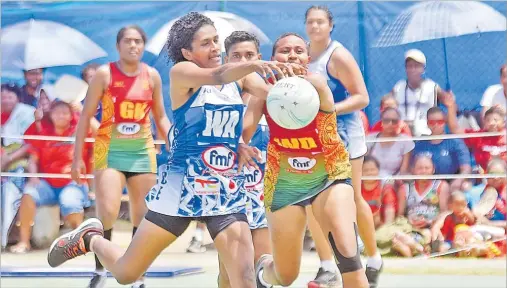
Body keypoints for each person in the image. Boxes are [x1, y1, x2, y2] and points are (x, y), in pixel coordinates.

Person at [47, 12, 299, 288]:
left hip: (225, 192)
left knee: (245, 279)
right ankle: (90, 239)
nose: (216, 47)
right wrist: (255, 64)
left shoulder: (240, 79)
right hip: (182, 190)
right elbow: (217, 75)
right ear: (187, 52)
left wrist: (300, 86)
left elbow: (275, 96)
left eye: (216, 40)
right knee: (127, 273)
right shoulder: (183, 73)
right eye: (206, 43)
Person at [240, 32, 369, 288]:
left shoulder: (317, 84)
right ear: (272, 58)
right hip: (285, 182)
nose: (292, 55)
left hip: (328, 174)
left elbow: (319, 106)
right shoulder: (263, 93)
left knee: (348, 254)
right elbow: (243, 133)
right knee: (285, 276)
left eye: (299, 50)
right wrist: (239, 144)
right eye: (285, 50)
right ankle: (262, 272)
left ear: (308, 58)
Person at [68, 25, 172, 288]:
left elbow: (160, 116)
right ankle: (100, 270)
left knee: (143, 215)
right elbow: (84, 118)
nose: (133, 46)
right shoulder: (104, 74)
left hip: (142, 150)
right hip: (109, 148)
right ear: (118, 46)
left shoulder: (152, 76)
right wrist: (77, 158)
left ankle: (139, 273)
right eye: (128, 41)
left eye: (138, 41)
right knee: (109, 212)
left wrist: (175, 141)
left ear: (143, 45)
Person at [304, 5, 382, 287]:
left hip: (345, 136)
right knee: (312, 201)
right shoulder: (302, 55)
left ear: (330, 25)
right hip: (312, 139)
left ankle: (373, 257)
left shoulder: (338, 56)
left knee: (353, 198)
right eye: (310, 22)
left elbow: (363, 98)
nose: (315, 26)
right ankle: (326, 265)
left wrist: (329, 109)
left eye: (320, 22)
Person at [214, 31, 272, 287]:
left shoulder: (273, 97)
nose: (244, 61)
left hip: (264, 190)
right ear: (226, 59)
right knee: (230, 272)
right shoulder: (217, 94)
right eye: (236, 56)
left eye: (249, 56)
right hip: (227, 191)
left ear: (259, 59)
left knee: (263, 263)